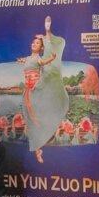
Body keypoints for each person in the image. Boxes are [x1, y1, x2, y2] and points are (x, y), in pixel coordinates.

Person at [16, 16, 69, 163]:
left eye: (37, 43)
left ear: (41, 47)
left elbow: (43, 61)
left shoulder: (39, 58)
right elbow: (25, 62)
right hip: (28, 90)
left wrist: (50, 58)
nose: (34, 44)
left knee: (37, 116)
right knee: (30, 117)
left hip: (36, 88)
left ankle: (45, 133)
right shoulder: (28, 58)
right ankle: (37, 149)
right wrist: (21, 60)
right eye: (33, 42)